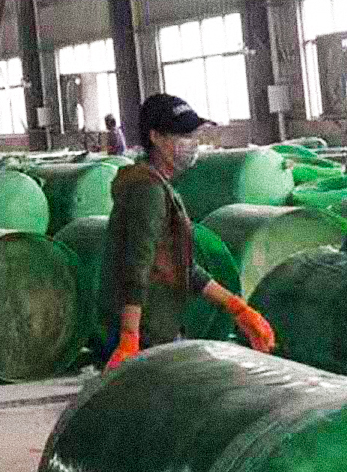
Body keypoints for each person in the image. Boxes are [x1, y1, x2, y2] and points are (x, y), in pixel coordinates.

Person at [100, 94, 275, 369]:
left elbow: (182, 266)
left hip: (157, 327)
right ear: (155, 137)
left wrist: (238, 308)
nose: (192, 143)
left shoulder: (157, 185)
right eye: (183, 135)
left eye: (194, 135)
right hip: (146, 334)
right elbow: (137, 263)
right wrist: (129, 336)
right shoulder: (148, 190)